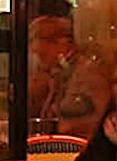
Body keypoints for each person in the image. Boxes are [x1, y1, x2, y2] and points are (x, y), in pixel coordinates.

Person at [26, 14, 111, 142]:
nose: (37, 59)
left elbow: (94, 119)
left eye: (42, 55)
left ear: (63, 43)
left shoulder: (88, 74)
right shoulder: (56, 73)